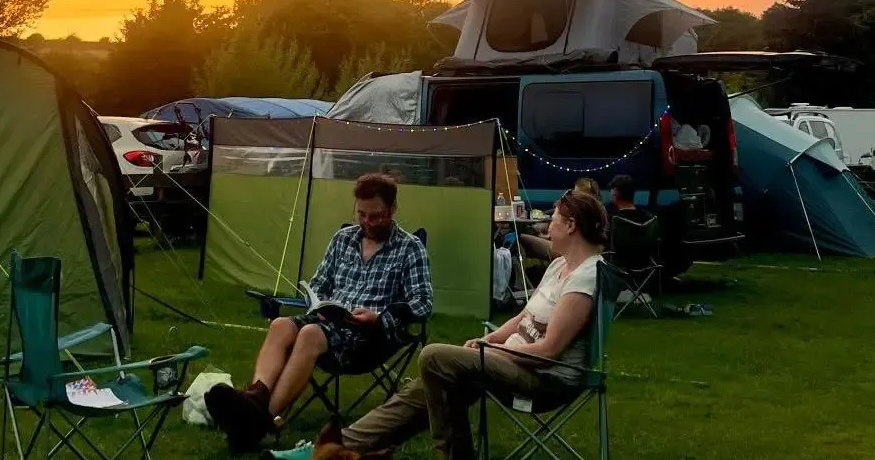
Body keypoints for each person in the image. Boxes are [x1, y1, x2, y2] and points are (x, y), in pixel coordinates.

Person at [262, 189, 608, 460]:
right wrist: (490, 338)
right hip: (509, 360)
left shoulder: (586, 277)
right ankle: (332, 449)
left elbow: (549, 350)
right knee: (429, 384)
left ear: (571, 226)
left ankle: (448, 455)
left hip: (544, 378)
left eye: (554, 221)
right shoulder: (559, 265)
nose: (548, 227)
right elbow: (523, 317)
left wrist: (493, 350)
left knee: (434, 358)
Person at [208, 172, 434, 453]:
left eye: (375, 216)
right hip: (329, 320)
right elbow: (318, 283)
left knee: (310, 334)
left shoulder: (409, 248)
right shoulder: (344, 239)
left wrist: (381, 318)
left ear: (392, 209)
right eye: (361, 214)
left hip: (368, 337)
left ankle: (259, 420)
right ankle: (256, 399)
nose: (366, 222)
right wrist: (320, 302)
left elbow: (423, 303)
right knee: (280, 324)